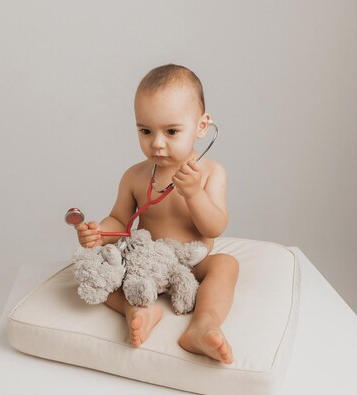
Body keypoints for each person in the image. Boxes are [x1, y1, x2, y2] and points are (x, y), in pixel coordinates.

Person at [74, 64, 239, 364]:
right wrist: (99, 233)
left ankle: (203, 325)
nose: (157, 143)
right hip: (144, 262)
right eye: (146, 131)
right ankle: (138, 309)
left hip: (191, 264)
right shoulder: (135, 176)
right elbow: (120, 221)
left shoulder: (210, 172)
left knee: (226, 265)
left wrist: (193, 194)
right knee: (93, 269)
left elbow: (214, 226)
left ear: (202, 126)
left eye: (172, 131)